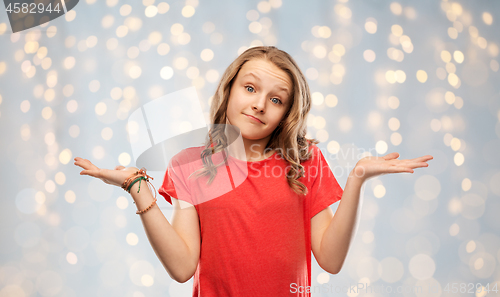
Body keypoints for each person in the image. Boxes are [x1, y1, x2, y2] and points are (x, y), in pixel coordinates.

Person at [74, 46, 433, 296]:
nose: (260, 104)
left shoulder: (304, 161)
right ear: (229, 91)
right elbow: (183, 267)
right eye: (250, 88)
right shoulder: (189, 165)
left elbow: (331, 259)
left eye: (276, 99)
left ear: (287, 112)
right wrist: (138, 187)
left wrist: (357, 179)